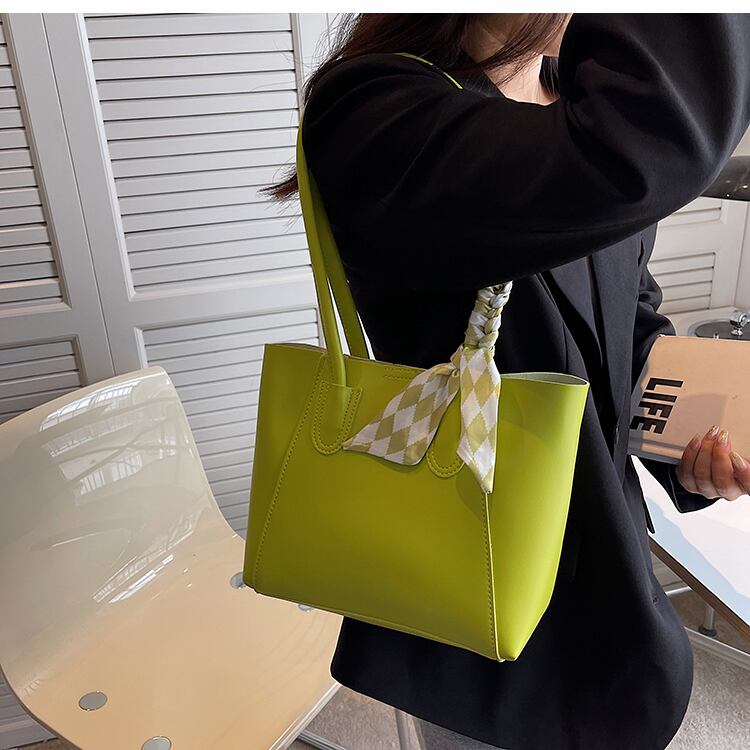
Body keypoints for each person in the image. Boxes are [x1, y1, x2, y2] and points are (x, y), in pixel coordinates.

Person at [268, 13, 750, 750]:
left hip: (605, 555)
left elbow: (628, 320)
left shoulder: (576, 100)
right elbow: (656, 140)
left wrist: (683, 445)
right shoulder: (378, 110)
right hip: (472, 585)